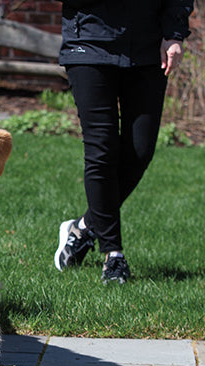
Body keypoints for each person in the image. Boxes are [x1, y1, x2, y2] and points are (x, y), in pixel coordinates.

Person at [53, 0, 194, 284]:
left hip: (148, 45)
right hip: (89, 42)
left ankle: (84, 227)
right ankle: (113, 255)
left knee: (140, 151)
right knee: (101, 150)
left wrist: (174, 33)